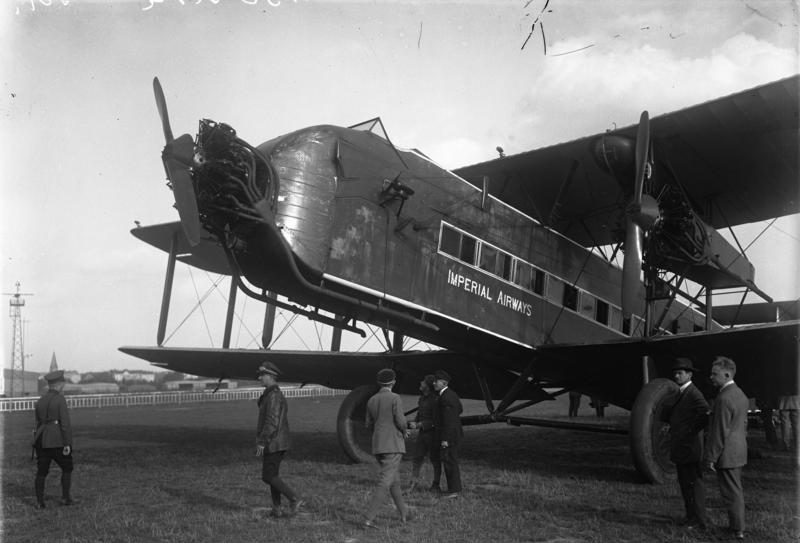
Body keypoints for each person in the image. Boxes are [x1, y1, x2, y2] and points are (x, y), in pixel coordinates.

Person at [661, 358, 710, 530]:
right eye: (675, 372)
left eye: (680, 372)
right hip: (682, 448)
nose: (676, 375)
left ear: (689, 375)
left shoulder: (693, 393)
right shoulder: (681, 392)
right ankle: (691, 517)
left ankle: (699, 521)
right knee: (685, 484)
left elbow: (705, 413)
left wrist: (689, 432)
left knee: (693, 485)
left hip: (690, 448)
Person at [704, 356, 749, 540]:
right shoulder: (740, 394)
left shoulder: (723, 398)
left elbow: (719, 432)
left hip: (727, 453)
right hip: (738, 450)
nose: (711, 377)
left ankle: (737, 530)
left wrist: (711, 458)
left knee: (731, 493)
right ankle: (737, 528)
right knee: (735, 490)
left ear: (727, 374)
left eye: (715, 374)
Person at [363, 368, 412, 529]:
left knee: (394, 481)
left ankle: (404, 513)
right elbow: (400, 420)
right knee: (385, 482)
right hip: (393, 444)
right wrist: (405, 430)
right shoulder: (395, 398)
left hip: (378, 445)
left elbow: (368, 424)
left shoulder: (371, 400)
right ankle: (368, 519)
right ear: (393, 382)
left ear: (379, 382)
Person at [255, 361, 304, 518]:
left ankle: (294, 498)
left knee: (268, 476)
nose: (259, 378)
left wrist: (262, 442)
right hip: (277, 441)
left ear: (270, 376)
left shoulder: (274, 396)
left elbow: (272, 421)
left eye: (262, 375)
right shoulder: (270, 394)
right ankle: (277, 509)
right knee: (272, 475)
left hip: (274, 442)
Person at [32, 370, 74, 509]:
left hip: (41, 439)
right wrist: (67, 443)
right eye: (63, 383)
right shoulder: (60, 399)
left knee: (42, 471)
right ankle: (65, 498)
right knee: (67, 467)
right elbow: (65, 423)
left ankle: (39, 502)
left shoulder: (40, 400)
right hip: (56, 440)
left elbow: (37, 422)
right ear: (59, 384)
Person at [407, 374, 441, 491]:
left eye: (423, 382)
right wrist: (413, 424)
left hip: (433, 434)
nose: (420, 383)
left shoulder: (435, 400)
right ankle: (413, 483)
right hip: (422, 434)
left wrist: (420, 424)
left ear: (427, 386)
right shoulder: (421, 398)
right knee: (417, 457)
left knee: (435, 459)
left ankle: (436, 485)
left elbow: (436, 419)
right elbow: (420, 414)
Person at [433, 370, 463, 498]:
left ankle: (454, 491)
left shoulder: (446, 397)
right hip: (453, 433)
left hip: (449, 435)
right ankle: (454, 489)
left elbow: (449, 420)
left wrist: (445, 439)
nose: (434, 383)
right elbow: (460, 409)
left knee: (450, 461)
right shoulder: (451, 395)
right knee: (450, 460)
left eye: (436, 381)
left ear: (444, 382)